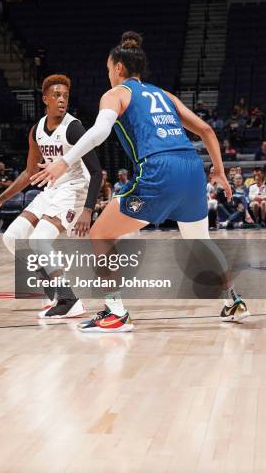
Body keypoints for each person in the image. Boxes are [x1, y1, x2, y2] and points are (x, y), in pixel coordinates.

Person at [31, 31, 249, 331]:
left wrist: (64, 161)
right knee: (199, 241)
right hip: (191, 168)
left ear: (118, 68)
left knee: (100, 236)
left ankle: (115, 312)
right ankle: (232, 299)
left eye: (109, 69)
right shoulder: (164, 94)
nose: (108, 75)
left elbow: (99, 131)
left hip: (159, 170)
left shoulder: (117, 93)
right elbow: (207, 131)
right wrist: (220, 171)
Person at [0, 74, 102, 320]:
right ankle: (49, 285)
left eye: (65, 96)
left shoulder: (74, 127)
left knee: (39, 241)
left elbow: (96, 172)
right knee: (13, 237)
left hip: (74, 190)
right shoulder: (36, 130)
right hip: (52, 190)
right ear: (45, 98)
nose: (62, 100)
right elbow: (29, 173)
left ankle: (70, 299)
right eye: (57, 95)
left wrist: (88, 210)